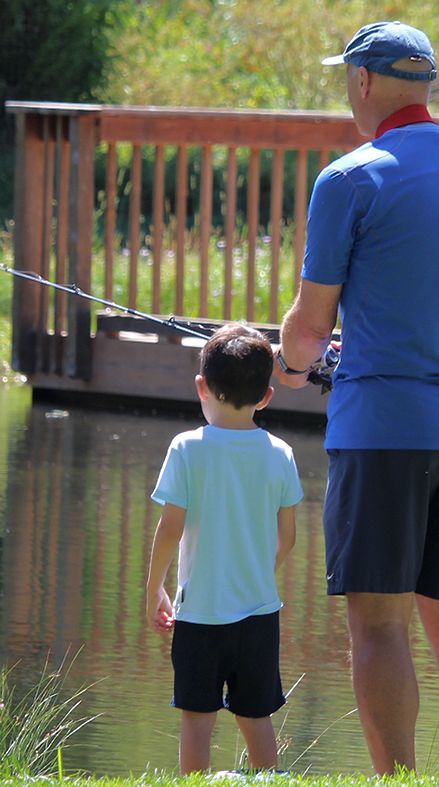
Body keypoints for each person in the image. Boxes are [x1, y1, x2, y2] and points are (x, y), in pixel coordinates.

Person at [274, 21, 439, 774]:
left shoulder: (350, 177)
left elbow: (310, 327)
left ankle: (398, 781)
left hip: (385, 430)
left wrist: (290, 359)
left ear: (363, 82)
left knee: (377, 625)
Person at [142, 323, 303, 775]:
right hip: (259, 613)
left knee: (197, 720)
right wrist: (261, 569)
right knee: (257, 717)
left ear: (202, 386)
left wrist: (155, 588)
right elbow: (287, 536)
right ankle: (269, 782)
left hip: (200, 616)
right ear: (266, 395)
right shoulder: (281, 453)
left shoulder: (187, 448)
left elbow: (170, 527)